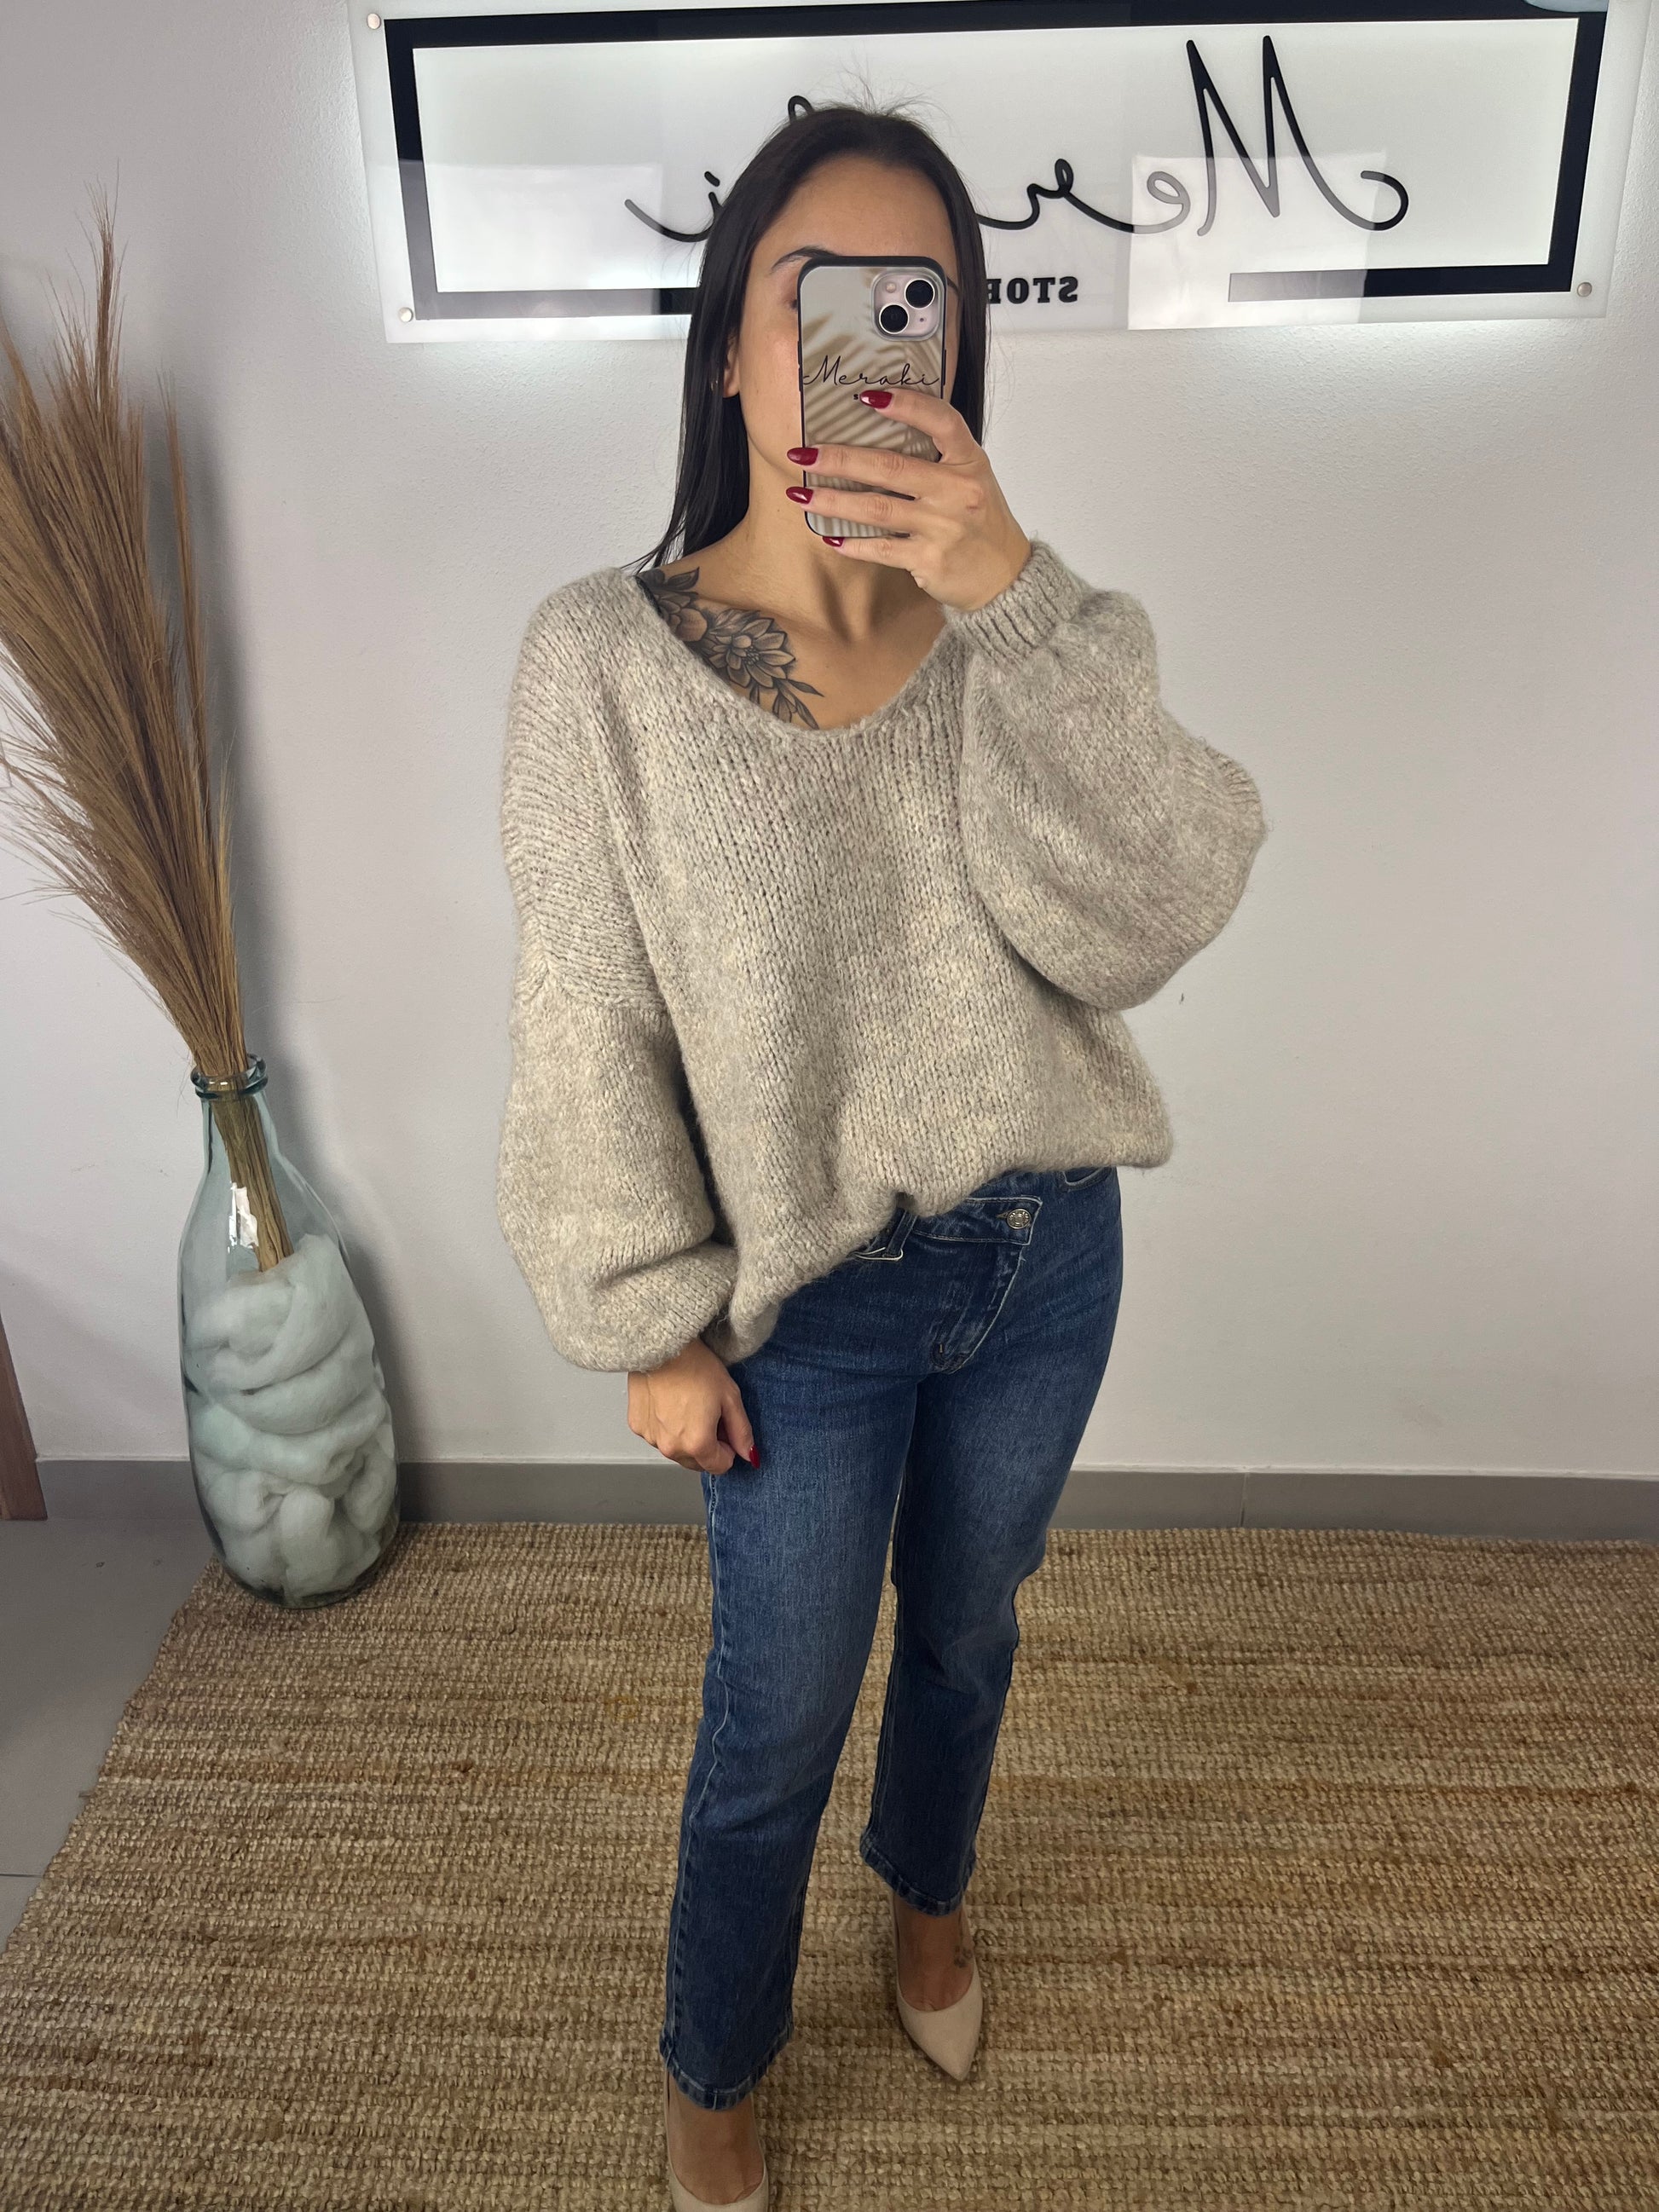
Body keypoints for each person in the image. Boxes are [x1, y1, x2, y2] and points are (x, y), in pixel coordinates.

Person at [495, 100, 1269, 2212]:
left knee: (970, 1632)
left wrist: (1008, 594)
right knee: (771, 1720)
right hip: (802, 1308)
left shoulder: (1022, 635)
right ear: (731, 351)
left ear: (949, 348)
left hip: (1044, 1251)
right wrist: (647, 1317)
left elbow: (1160, 902)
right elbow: (584, 1010)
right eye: (810, 294)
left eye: (907, 300)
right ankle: (716, 2067)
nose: (858, 337)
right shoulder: (598, 662)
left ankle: (929, 1902)